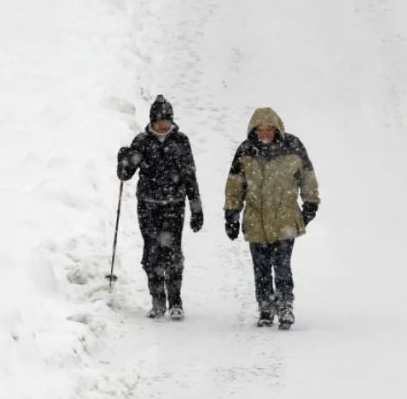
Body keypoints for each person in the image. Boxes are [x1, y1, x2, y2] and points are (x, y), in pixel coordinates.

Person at [224, 107, 320, 330]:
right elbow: (234, 186)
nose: (265, 133)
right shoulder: (246, 151)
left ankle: (285, 305)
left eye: (269, 129)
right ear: (254, 130)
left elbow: (308, 178)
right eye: (261, 129)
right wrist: (231, 214)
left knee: (282, 264)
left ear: (277, 129)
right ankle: (266, 307)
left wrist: (310, 205)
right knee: (261, 267)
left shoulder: (293, 147)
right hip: (256, 218)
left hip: (285, 217)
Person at [117, 95, 203, 319]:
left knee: (173, 252)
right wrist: (123, 161)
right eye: (158, 121)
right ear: (151, 121)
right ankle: (157, 301)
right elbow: (125, 175)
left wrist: (196, 208)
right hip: (148, 205)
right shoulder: (142, 142)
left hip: (174, 204)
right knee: (152, 252)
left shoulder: (181, 141)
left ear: (172, 120)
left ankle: (175, 301)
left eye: (166, 120)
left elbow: (189, 176)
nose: (162, 125)